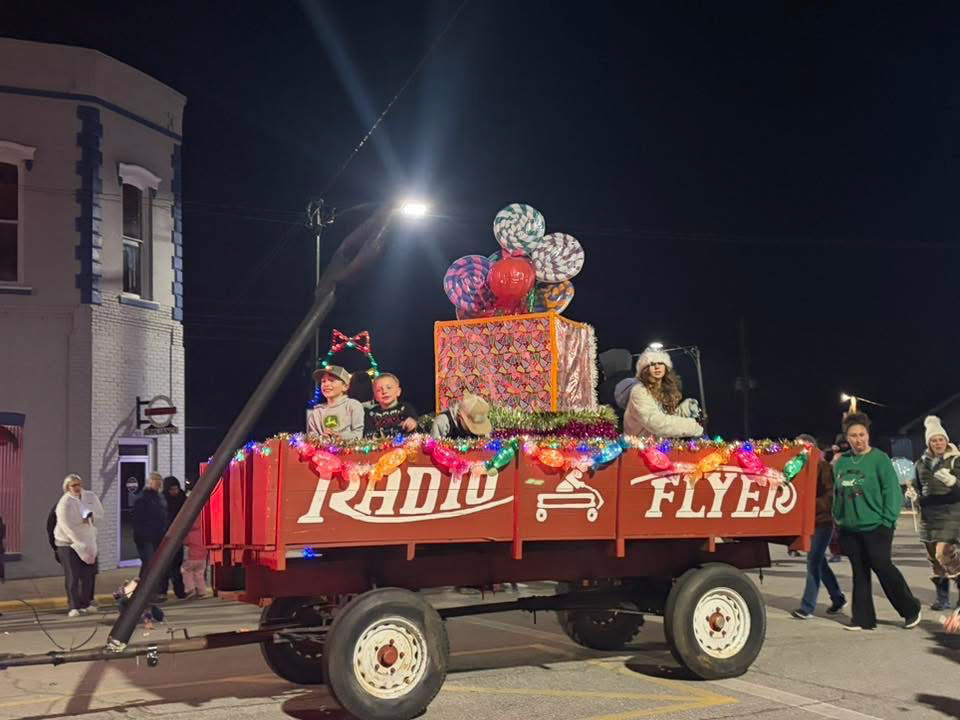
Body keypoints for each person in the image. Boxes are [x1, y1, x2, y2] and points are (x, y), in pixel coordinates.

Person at [833, 413, 921, 630]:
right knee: (859, 572)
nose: (858, 439)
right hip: (849, 527)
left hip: (877, 526)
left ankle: (910, 608)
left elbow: (891, 491)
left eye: (862, 434)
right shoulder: (842, 462)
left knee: (882, 566)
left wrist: (887, 520)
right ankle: (862, 619)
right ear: (847, 438)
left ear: (868, 435)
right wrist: (838, 517)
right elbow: (837, 493)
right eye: (853, 436)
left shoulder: (879, 459)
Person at [906, 416, 960, 611]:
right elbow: (917, 486)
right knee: (934, 559)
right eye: (934, 440)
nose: (938, 443)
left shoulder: (956, 460)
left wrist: (954, 482)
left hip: (951, 514)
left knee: (943, 553)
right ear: (929, 443)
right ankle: (942, 598)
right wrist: (912, 495)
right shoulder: (920, 464)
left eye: (941, 439)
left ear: (946, 440)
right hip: (928, 516)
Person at [792, 434, 846, 619]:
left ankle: (807, 607)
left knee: (813, 562)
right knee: (820, 562)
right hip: (808, 522)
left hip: (823, 521)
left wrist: (810, 505)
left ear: (813, 448)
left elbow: (831, 495)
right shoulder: (797, 469)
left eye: (804, 447)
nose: (800, 451)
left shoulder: (823, 467)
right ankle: (838, 598)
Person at [623, 346, 703, 438]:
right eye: (652, 364)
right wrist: (691, 426)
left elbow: (667, 418)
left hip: (657, 443)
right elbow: (656, 423)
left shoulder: (662, 390)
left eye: (660, 363)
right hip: (637, 444)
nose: (657, 367)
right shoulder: (639, 391)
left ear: (666, 367)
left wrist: (684, 410)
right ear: (645, 369)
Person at [53, 474, 103, 617]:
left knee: (88, 575)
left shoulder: (90, 497)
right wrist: (77, 542)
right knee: (73, 575)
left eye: (78, 484)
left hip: (87, 540)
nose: (77, 488)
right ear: (67, 487)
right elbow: (66, 526)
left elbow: (100, 513)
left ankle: (85, 603)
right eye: (73, 485)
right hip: (67, 543)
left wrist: (92, 518)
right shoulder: (64, 503)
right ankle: (73, 606)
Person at [132, 472, 169, 600]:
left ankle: (152, 592)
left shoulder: (159, 497)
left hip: (158, 536)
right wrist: (143, 536)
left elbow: (163, 516)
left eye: (160, 482)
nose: (159, 485)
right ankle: (143, 593)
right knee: (149, 564)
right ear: (150, 482)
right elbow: (138, 520)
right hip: (146, 538)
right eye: (156, 482)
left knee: (154, 565)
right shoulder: (142, 498)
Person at [307, 365, 365, 441]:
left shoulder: (353, 405)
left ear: (345, 386)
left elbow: (358, 434)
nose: (326, 384)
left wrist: (340, 437)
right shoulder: (317, 412)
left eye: (332, 380)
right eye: (323, 381)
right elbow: (311, 437)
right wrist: (322, 438)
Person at [161, 476, 187, 600]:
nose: (174, 491)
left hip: (177, 537)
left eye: (176, 489)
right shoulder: (162, 500)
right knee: (165, 566)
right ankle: (163, 591)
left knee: (176, 565)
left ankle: (180, 591)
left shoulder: (183, 498)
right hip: (166, 537)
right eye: (172, 489)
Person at [182, 513, 209, 599]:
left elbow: (185, 542)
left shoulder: (190, 534)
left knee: (186, 571)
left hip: (191, 558)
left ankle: (190, 589)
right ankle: (202, 591)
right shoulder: (204, 533)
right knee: (199, 574)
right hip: (202, 559)